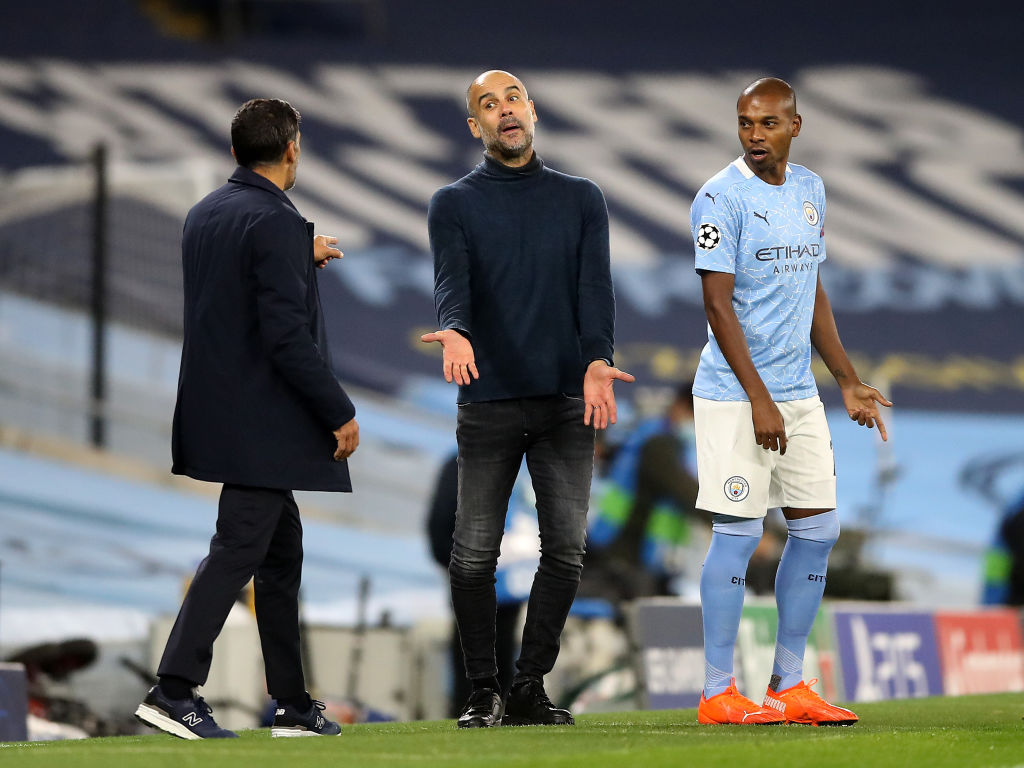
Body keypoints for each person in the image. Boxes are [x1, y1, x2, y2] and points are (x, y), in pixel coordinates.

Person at [135, 98, 358, 740]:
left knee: (280, 554)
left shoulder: (206, 211)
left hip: (218, 409)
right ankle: (174, 689)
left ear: (235, 152)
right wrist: (337, 409)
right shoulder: (275, 222)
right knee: (237, 549)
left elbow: (237, 284)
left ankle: (291, 703)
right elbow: (285, 336)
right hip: (263, 421)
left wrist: (298, 254)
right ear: (292, 149)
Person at [421, 70, 634, 728]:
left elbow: (594, 292)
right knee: (472, 555)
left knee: (566, 551)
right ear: (475, 126)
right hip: (487, 403)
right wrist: (455, 329)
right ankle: (482, 689)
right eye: (489, 104)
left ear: (533, 112)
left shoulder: (581, 199)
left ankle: (527, 686)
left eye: (513, 99)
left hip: (566, 403)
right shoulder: (453, 204)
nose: (504, 110)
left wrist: (598, 360)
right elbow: (452, 284)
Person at [689, 77, 891, 726]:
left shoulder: (809, 189)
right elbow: (717, 305)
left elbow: (812, 289)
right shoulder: (719, 198)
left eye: (768, 123)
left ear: (795, 126)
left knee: (818, 531)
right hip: (734, 396)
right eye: (745, 123)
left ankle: (788, 685)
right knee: (739, 534)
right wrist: (758, 398)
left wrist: (847, 379)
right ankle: (717, 692)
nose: (755, 135)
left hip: (798, 394)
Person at [582, 382, 706, 604]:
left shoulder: (656, 438)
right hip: (622, 560)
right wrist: (738, 523)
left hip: (635, 560)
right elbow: (688, 493)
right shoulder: (658, 445)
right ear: (680, 407)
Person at [425, 451, 523, 717]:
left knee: (470, 655)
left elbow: (438, 522)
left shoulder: (460, 461)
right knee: (500, 653)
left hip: (474, 576)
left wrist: (454, 562)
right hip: (506, 577)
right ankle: (498, 712)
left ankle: (469, 711)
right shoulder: (520, 461)